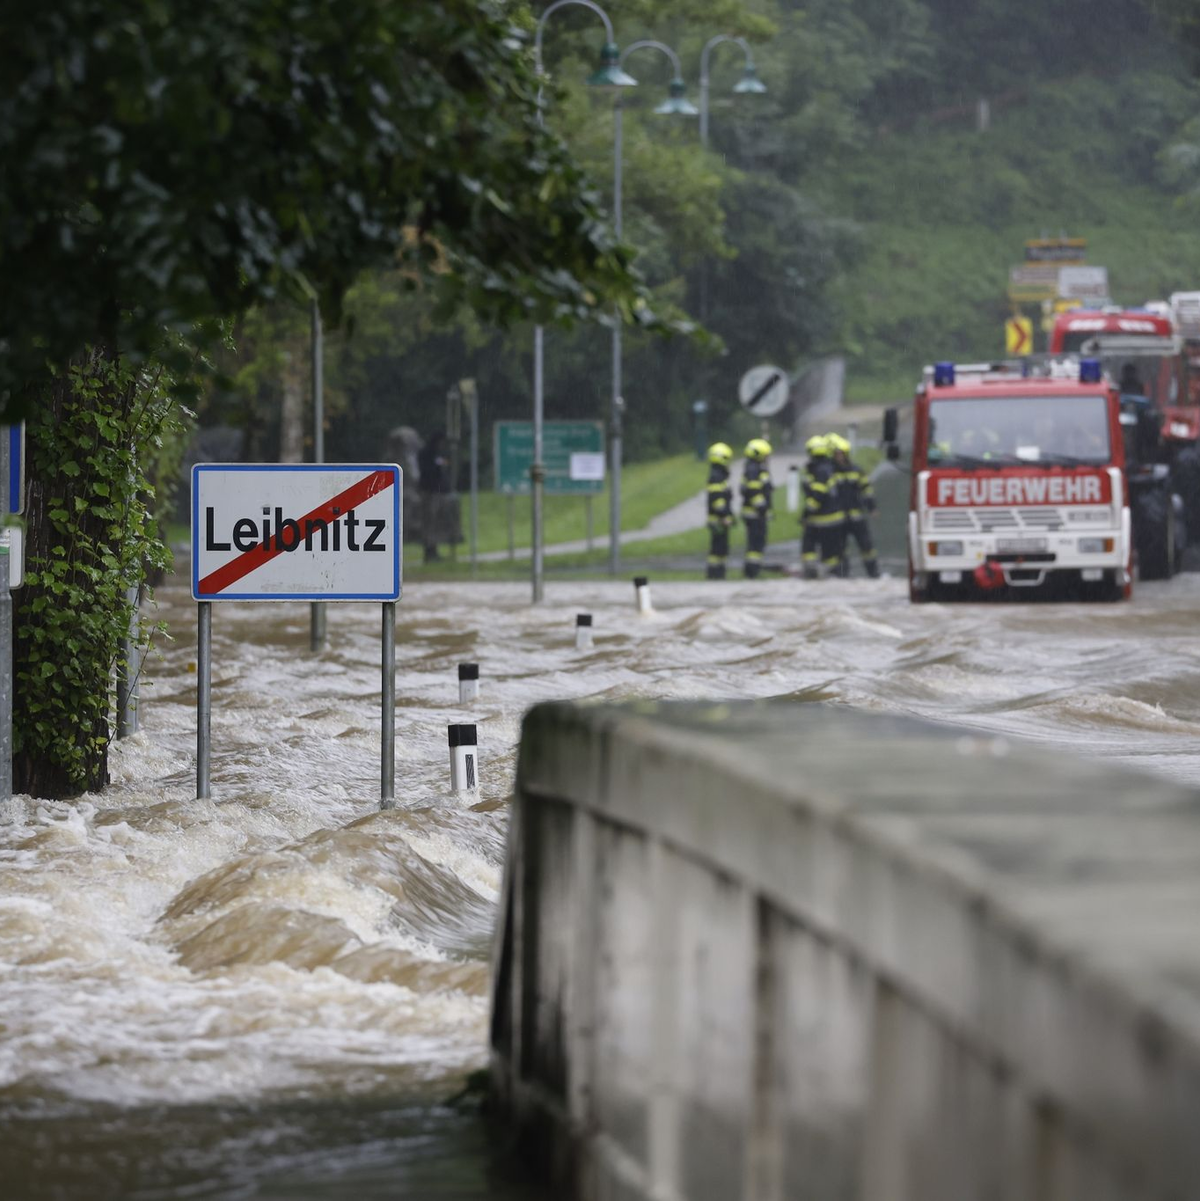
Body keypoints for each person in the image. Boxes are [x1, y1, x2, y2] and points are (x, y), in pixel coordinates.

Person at [828, 433, 880, 578]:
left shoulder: (856, 471)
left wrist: (872, 507)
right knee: (840, 549)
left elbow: (866, 490)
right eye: (836, 454)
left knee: (866, 546)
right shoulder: (830, 472)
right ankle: (843, 576)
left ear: (846, 454)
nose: (839, 457)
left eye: (841, 454)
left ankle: (874, 574)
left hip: (856, 516)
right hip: (839, 517)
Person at [800, 435, 840, 578]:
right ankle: (832, 575)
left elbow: (817, 495)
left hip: (819, 518)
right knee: (830, 550)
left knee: (809, 546)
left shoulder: (819, 470)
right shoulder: (829, 468)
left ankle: (812, 574)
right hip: (832, 518)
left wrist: (805, 514)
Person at [740, 438, 773, 579]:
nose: (767, 458)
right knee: (755, 542)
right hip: (755, 514)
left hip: (755, 514)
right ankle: (752, 571)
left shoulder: (754, 468)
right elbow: (754, 492)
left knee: (756, 542)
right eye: (766, 455)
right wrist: (763, 508)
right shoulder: (754, 469)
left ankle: (753, 568)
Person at [417, 430, 453, 562]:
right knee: (430, 522)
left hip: (435, 491)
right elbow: (428, 471)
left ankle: (433, 549)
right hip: (429, 491)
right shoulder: (427, 454)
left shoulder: (436, 454)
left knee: (434, 522)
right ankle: (429, 550)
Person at [704, 442, 735, 579]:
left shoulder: (717, 475)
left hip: (718, 518)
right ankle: (715, 574)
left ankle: (718, 573)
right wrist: (724, 516)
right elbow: (717, 499)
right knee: (718, 548)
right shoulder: (717, 476)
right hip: (718, 520)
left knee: (720, 548)